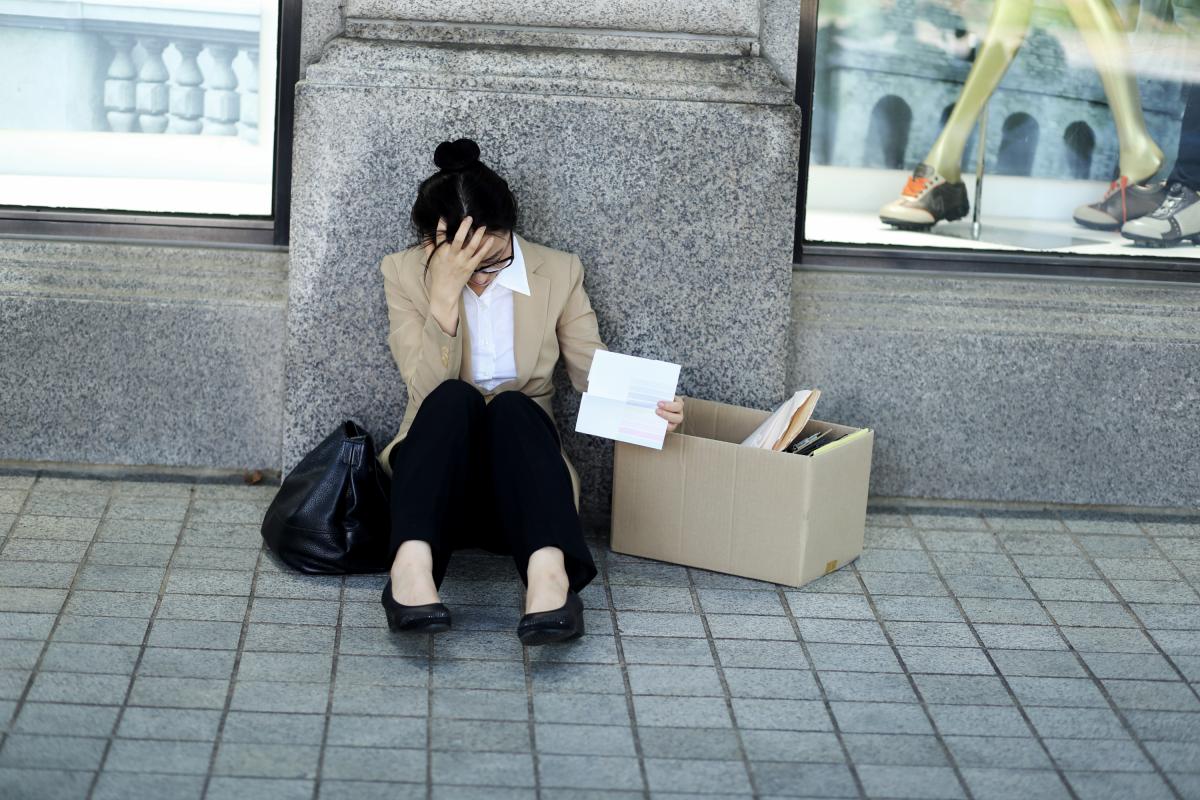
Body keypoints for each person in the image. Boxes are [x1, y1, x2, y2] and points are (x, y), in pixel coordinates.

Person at [374, 138, 685, 645]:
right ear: (432, 242)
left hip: (523, 490)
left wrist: (654, 407)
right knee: (453, 400)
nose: (482, 279)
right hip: (434, 489)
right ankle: (410, 573)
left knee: (516, 406)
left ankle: (548, 580)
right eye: (465, 264)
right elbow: (424, 388)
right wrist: (444, 295)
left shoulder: (558, 272)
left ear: (509, 231)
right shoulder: (404, 272)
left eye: (492, 261)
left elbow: (593, 368)